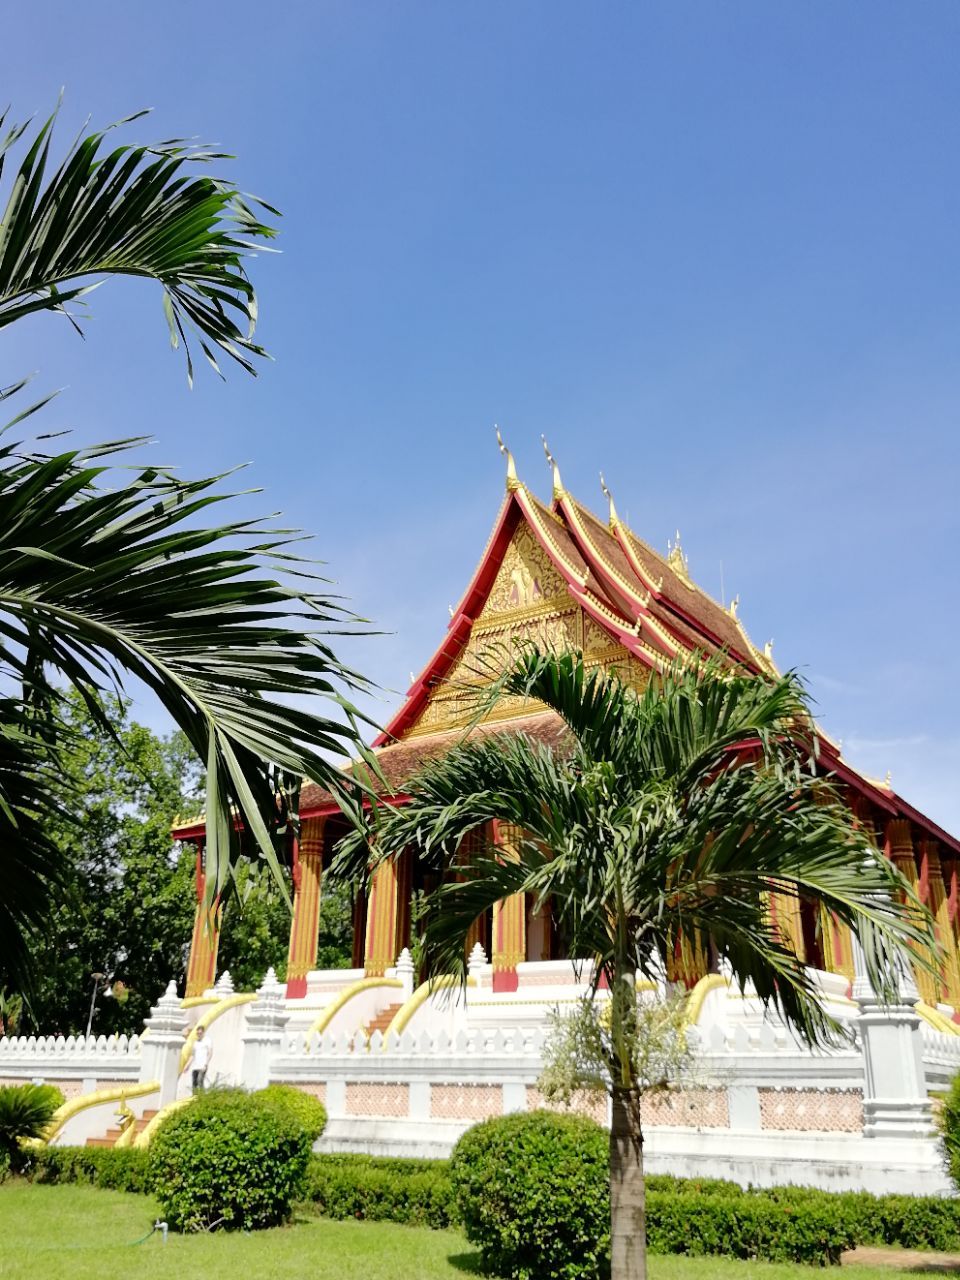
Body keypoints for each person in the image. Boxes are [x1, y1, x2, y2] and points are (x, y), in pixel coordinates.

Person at [188, 1025, 212, 1092]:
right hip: (195, 1066)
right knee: (194, 1084)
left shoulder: (207, 1040)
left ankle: (202, 1096)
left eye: (200, 1033)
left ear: (203, 1032)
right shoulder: (195, 1043)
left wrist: (206, 1064)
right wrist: (187, 1066)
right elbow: (192, 1055)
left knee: (200, 1081)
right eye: (197, 1033)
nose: (199, 1034)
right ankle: (194, 1097)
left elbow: (210, 1053)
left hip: (202, 1066)